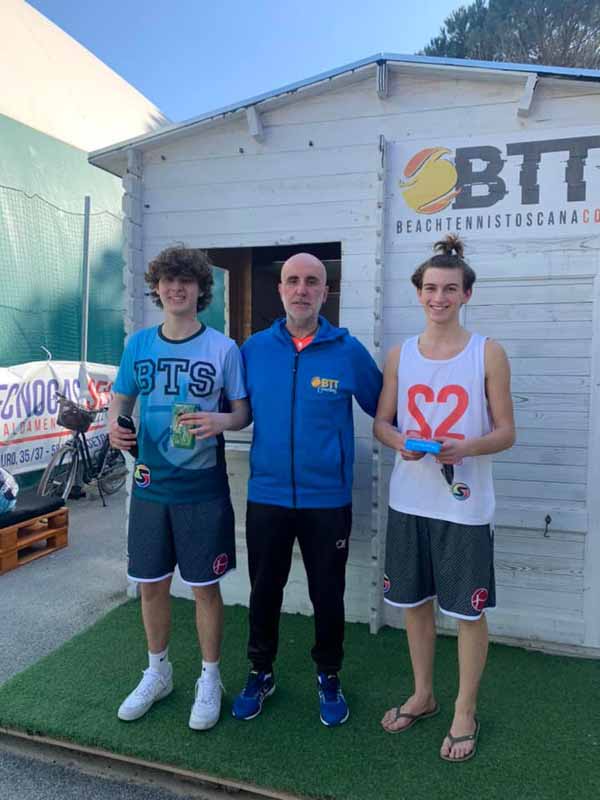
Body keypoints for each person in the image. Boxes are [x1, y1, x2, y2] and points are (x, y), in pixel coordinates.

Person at [374, 235, 515, 762]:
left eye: (450, 289)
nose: (439, 298)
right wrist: (401, 443)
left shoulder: (487, 352)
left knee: (467, 613)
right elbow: (382, 424)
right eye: (431, 288)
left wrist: (465, 447)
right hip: (409, 500)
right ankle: (424, 695)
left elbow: (506, 432)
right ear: (418, 293)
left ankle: (464, 710)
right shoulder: (400, 354)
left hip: (464, 505)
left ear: (466, 294)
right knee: (414, 605)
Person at [232, 252, 382, 727]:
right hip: (267, 496)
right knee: (264, 590)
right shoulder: (254, 350)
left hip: (327, 501)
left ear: (325, 291)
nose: (302, 289)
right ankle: (260, 672)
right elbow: (233, 408)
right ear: (280, 290)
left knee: (327, 594)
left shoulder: (347, 351)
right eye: (293, 281)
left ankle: (328, 675)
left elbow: (388, 407)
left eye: (312, 281)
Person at [109, 246, 249, 731]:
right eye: (168, 281)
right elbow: (121, 397)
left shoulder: (223, 348)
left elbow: (242, 412)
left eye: (185, 281)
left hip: (202, 487)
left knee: (205, 587)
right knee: (151, 584)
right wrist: (113, 426)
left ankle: (210, 677)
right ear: (157, 288)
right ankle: (158, 671)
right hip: (150, 486)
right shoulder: (139, 344)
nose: (176, 289)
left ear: (200, 289)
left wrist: (219, 421)